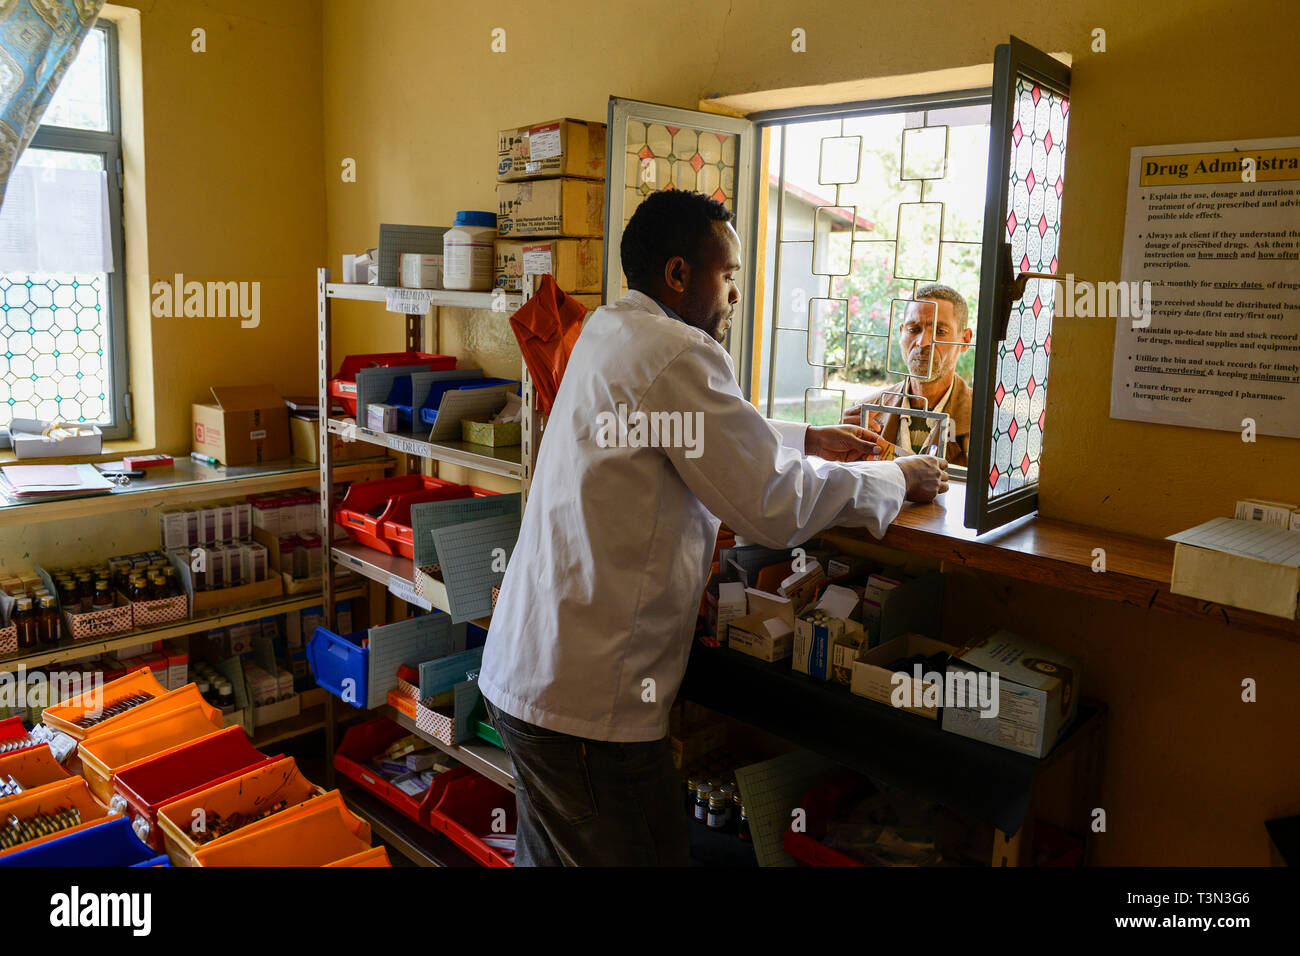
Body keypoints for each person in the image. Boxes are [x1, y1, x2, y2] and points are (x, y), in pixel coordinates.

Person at [478, 189, 947, 866]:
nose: (733, 296)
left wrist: (799, 434)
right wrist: (895, 478)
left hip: (534, 676)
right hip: (586, 708)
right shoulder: (676, 351)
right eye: (726, 275)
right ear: (677, 275)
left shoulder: (612, 330)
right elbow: (770, 504)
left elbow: (682, 432)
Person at [841, 284, 973, 465]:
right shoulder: (866, 413)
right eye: (914, 330)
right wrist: (839, 445)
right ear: (901, 333)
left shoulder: (985, 419)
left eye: (940, 332)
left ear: (965, 340)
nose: (923, 342)